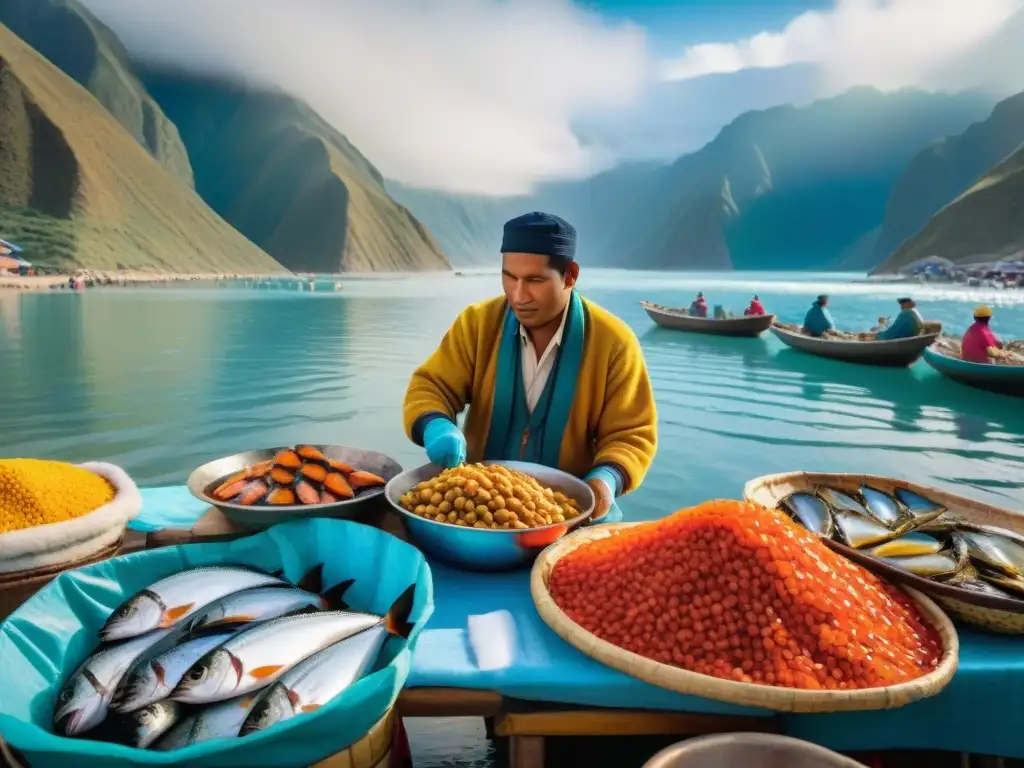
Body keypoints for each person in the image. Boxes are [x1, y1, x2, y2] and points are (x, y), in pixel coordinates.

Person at [403, 212, 658, 524]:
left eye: (535, 280)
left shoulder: (614, 342)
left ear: (570, 275)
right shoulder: (477, 324)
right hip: (474, 514)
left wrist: (606, 480)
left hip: (574, 518)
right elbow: (431, 386)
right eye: (509, 277)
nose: (519, 296)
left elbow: (633, 434)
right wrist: (434, 424)